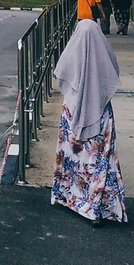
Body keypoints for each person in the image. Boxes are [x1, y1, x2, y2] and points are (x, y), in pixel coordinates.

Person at [51, 19, 128, 225]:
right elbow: (113, 76)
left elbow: (61, 76)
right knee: (100, 160)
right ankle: (97, 205)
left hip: (72, 111)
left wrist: (77, 91)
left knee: (73, 157)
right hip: (101, 113)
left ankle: (69, 196)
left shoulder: (72, 50)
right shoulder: (105, 51)